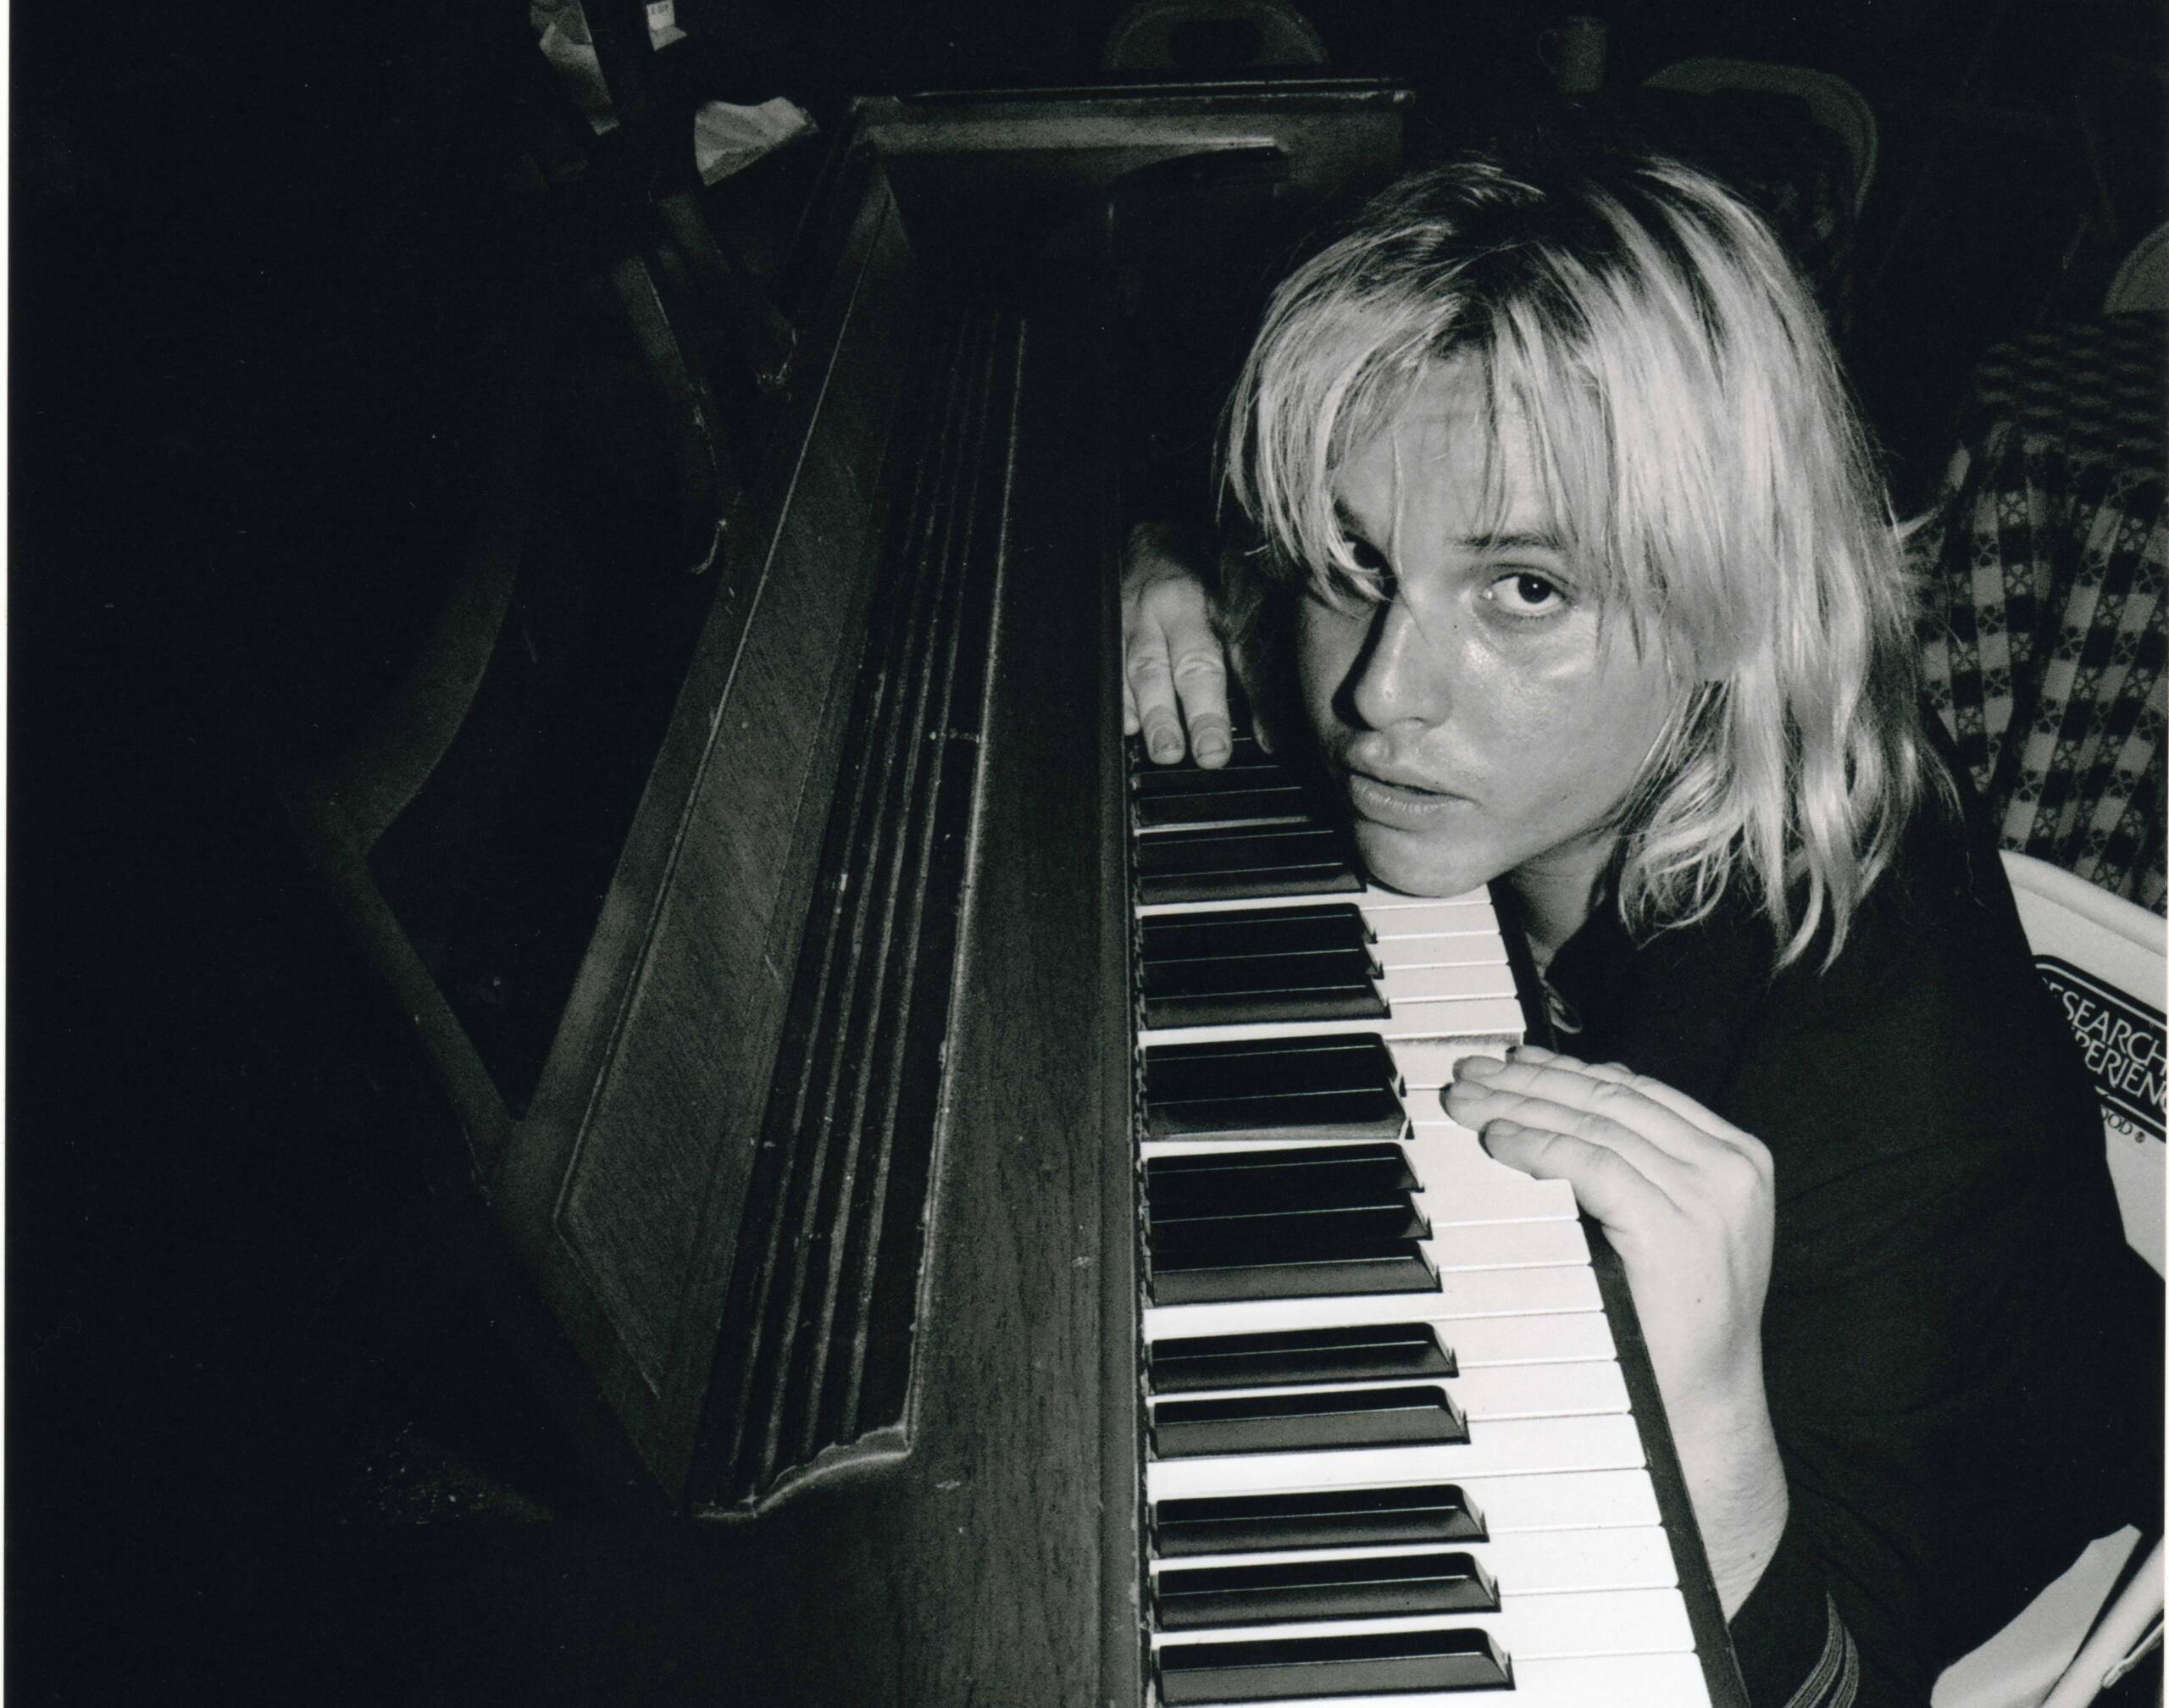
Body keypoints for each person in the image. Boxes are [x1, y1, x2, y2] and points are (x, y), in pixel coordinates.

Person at [1123, 146, 2161, 1707]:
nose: (1382, 694)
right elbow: (1225, 519)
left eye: (1527, 590)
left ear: (1734, 599)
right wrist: (1159, 566)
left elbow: (1835, 1680)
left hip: (1895, 1537)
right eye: (1355, 564)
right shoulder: (1500, 714)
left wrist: (1716, 1430)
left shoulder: (1890, 1090)